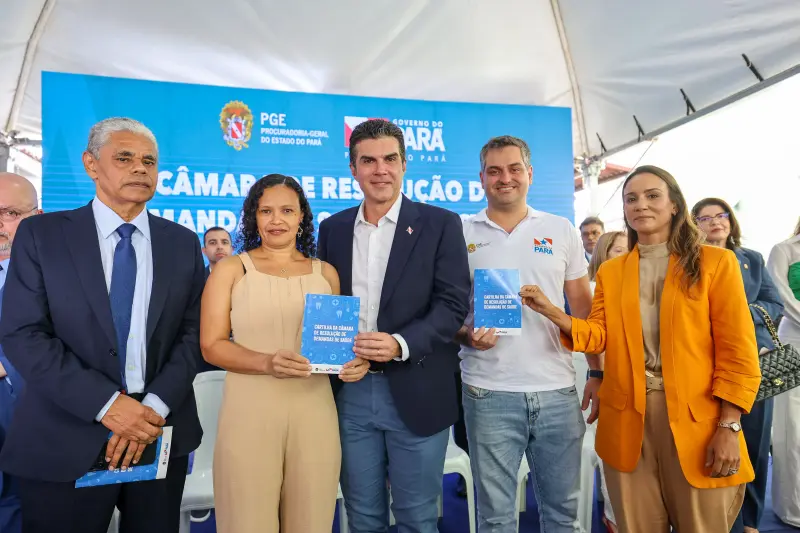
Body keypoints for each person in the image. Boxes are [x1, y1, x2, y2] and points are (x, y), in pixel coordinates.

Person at [520, 165, 761, 533]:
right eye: (631, 198)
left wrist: (729, 425)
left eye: (652, 196)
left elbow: (738, 352)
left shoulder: (716, 263)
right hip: (627, 421)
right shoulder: (613, 272)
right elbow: (598, 335)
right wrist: (552, 311)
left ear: (675, 205)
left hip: (699, 422)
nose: (640, 205)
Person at [0, 118, 206, 533]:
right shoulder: (43, 235)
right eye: (124, 158)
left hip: (157, 432)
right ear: (91, 164)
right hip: (65, 434)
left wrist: (151, 409)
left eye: (149, 161)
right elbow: (24, 334)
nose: (140, 168)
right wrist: (109, 405)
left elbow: (193, 334)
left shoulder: (182, 242)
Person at [317, 119, 471, 532]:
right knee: (361, 515)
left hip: (418, 387)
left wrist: (400, 343)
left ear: (405, 164)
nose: (380, 170)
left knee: (417, 517)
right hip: (350, 392)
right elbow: (327, 306)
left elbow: (452, 304)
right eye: (368, 161)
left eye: (389, 159)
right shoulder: (332, 229)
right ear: (353, 168)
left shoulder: (441, 224)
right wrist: (332, 355)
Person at [200, 174, 370, 532]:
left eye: (287, 211)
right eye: (266, 211)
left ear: (302, 217)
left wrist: (355, 362)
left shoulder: (326, 274)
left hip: (315, 412)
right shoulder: (231, 270)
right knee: (247, 522)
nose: (276, 220)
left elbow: (338, 345)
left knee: (312, 520)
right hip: (249, 413)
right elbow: (211, 346)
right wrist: (265, 362)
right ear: (254, 217)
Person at [456, 135, 593, 532]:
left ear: (530, 173)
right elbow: (445, 310)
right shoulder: (460, 231)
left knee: (563, 515)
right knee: (495, 518)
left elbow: (585, 311)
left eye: (514, 169)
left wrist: (598, 372)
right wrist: (466, 335)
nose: (505, 178)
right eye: (495, 171)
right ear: (481, 177)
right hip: (487, 390)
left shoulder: (560, 229)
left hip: (556, 390)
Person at [692, 197, 784, 533]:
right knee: (709, 443)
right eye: (705, 218)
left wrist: (740, 317)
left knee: (755, 444)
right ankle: (716, 517)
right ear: (693, 226)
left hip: (752, 363)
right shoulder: (688, 261)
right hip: (704, 365)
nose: (715, 222)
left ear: (730, 221)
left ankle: (749, 521)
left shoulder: (752, 259)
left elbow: (774, 303)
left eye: (721, 215)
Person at [0, 172, 41, 533]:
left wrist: (6, 364)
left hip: (31, 408)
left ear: (36, 217)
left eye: (10, 213)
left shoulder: (60, 271)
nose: (0, 225)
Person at [585, 229, 628, 533]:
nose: (627, 256)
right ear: (603, 255)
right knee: (614, 451)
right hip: (603, 384)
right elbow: (593, 342)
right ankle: (615, 517)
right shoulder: (592, 289)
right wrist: (597, 375)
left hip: (641, 387)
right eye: (619, 250)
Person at [767, 217, 800, 527]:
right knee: (790, 427)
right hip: (792, 343)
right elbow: (781, 295)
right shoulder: (784, 249)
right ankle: (792, 508)